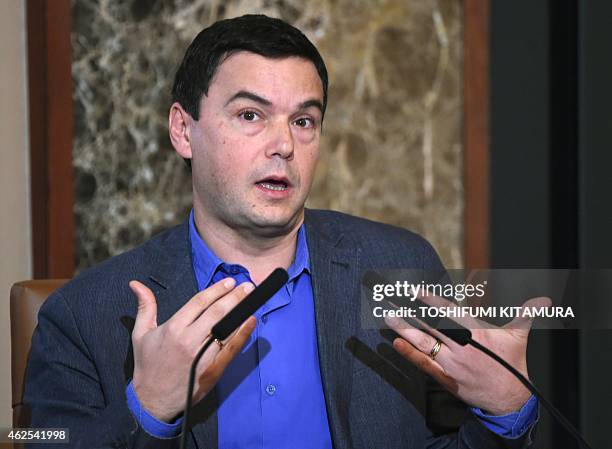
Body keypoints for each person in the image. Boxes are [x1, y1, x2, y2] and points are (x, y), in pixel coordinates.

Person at [25, 14, 541, 449]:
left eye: (304, 121)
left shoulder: (399, 267)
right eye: (251, 115)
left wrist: (505, 410)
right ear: (184, 130)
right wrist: (147, 410)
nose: (284, 146)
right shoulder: (83, 316)